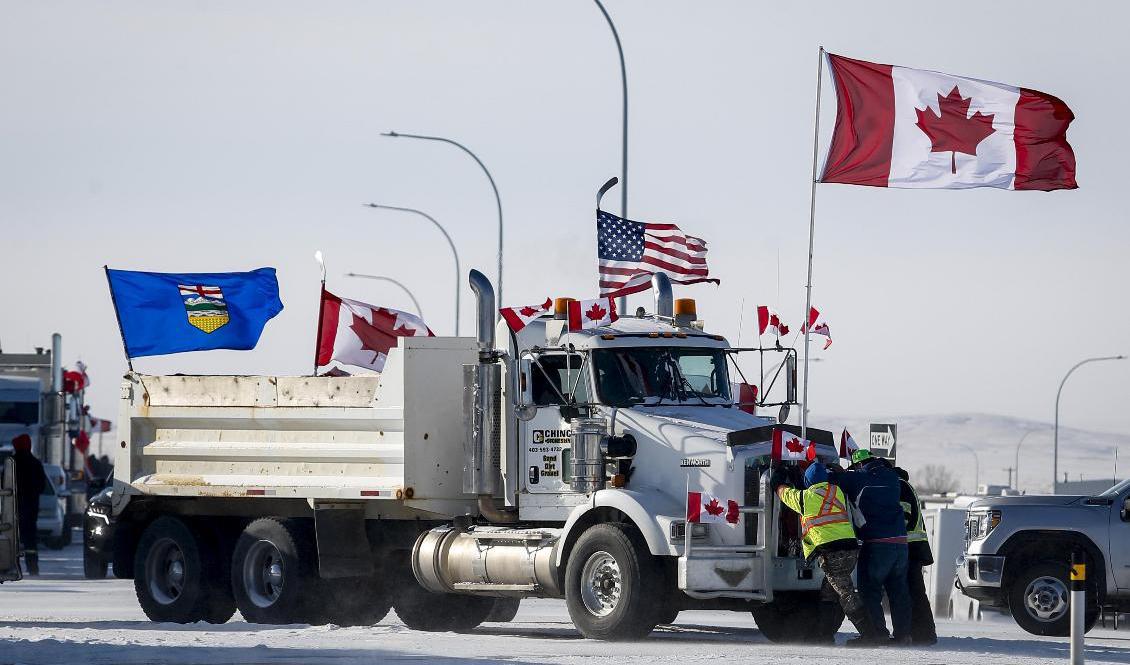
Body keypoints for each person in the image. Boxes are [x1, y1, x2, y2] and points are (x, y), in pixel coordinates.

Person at [771, 462, 884, 646]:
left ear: (808, 481)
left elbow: (783, 493)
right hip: (850, 548)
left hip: (833, 553)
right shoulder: (835, 491)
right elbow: (822, 487)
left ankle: (869, 635)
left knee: (846, 594)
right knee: (829, 592)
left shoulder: (804, 498)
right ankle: (823, 635)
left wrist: (778, 477)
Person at [829, 449, 913, 646]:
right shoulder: (891, 477)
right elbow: (896, 473)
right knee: (899, 591)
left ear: (858, 465)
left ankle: (877, 633)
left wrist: (837, 472)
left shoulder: (858, 479)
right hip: (901, 545)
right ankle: (903, 636)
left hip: (877, 544)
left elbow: (826, 479)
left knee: (870, 590)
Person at [895, 466, 937, 645]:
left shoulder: (901, 487)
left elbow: (904, 516)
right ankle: (923, 634)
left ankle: (924, 635)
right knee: (916, 592)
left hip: (910, 548)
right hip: (914, 547)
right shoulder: (906, 485)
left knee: (914, 592)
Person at [12, 434, 45, 576]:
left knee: (14, 538)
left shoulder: (12, 463)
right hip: (31, 508)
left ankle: (14, 567)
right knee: (30, 540)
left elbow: (4, 484)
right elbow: (42, 486)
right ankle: (33, 567)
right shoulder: (35, 463)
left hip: (13, 507)